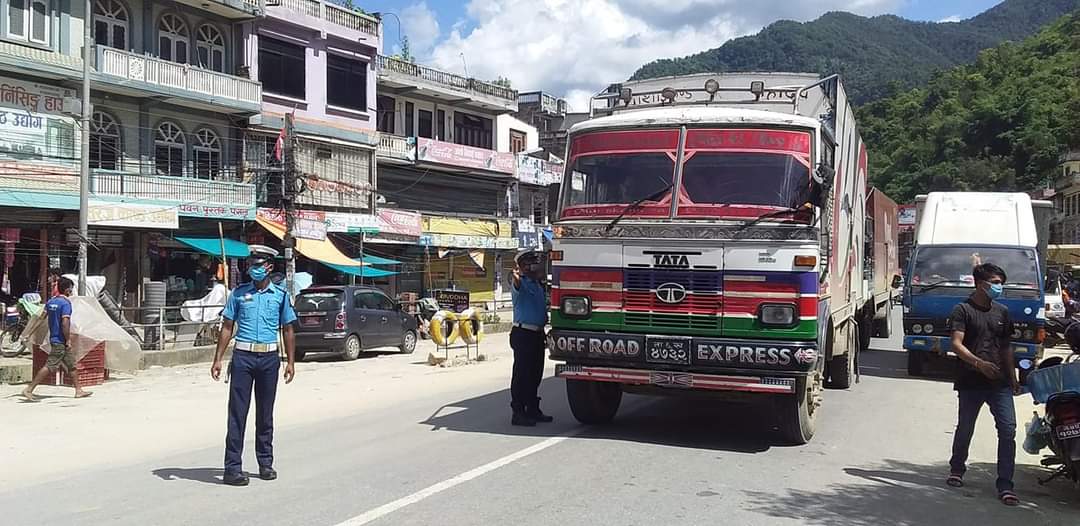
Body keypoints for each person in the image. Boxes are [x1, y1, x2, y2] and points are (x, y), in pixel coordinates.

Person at [210, 245, 297, 487]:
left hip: (269, 359)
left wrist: (291, 362)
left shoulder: (280, 296)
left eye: (257, 265)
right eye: (250, 265)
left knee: (265, 414)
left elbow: (288, 329)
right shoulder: (239, 294)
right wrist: (218, 358)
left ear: (269, 267)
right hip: (243, 358)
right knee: (237, 414)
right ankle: (232, 469)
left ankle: (265, 464)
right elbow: (227, 326)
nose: (252, 269)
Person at [946, 263, 1020, 506]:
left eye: (1001, 283)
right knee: (966, 426)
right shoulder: (962, 310)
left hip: (999, 383)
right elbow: (956, 344)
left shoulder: (1002, 312)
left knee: (1008, 430)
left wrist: (1013, 378)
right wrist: (979, 364)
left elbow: (1007, 347)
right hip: (971, 381)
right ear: (980, 284)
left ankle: (1005, 485)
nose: (999, 287)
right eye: (995, 283)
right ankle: (957, 469)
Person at [22, 277, 91, 401]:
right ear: (67, 290)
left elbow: (40, 319)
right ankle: (29, 389)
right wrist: (67, 340)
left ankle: (78, 390)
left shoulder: (50, 302)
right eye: (71, 288)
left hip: (54, 338)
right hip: (60, 341)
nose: (72, 291)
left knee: (71, 365)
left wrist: (29, 333)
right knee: (50, 366)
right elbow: (65, 323)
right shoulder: (65, 304)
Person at [508, 248, 552, 426]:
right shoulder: (521, 283)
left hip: (537, 334)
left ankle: (533, 409)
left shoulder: (538, 285)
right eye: (531, 264)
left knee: (535, 374)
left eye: (536, 263)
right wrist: (517, 276)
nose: (536, 267)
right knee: (522, 375)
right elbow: (516, 283)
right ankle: (518, 412)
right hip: (523, 334)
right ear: (523, 267)